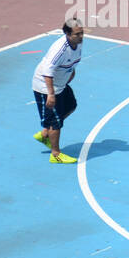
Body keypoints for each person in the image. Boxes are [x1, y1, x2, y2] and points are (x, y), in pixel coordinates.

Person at [31, 18, 84, 164]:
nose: (80, 37)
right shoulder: (59, 49)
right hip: (46, 87)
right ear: (67, 34)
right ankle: (55, 154)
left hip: (60, 84)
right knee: (56, 121)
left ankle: (45, 133)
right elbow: (47, 72)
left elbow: (71, 61)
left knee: (71, 106)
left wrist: (70, 74)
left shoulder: (78, 43)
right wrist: (51, 94)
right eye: (77, 34)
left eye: (81, 33)